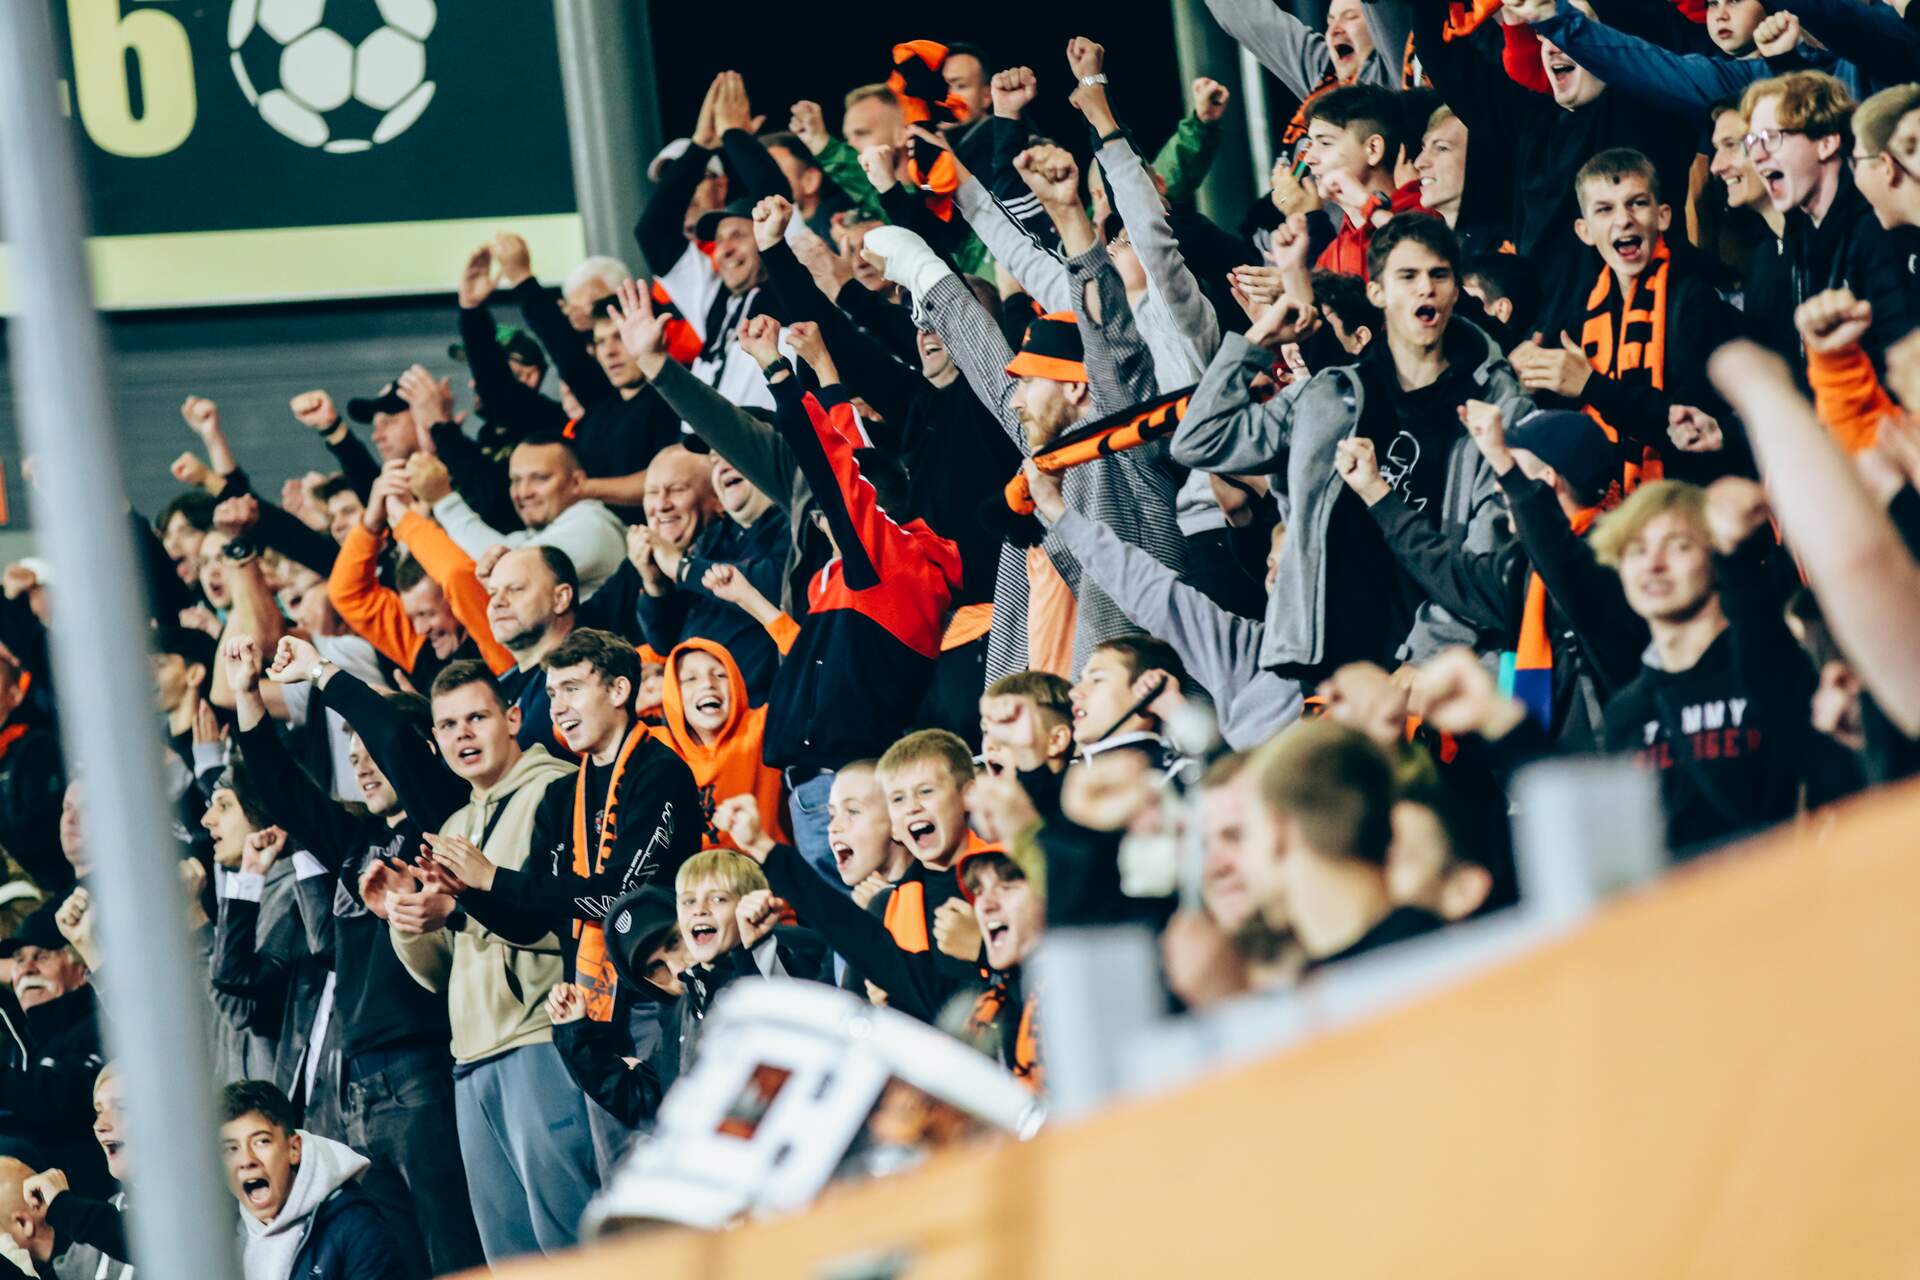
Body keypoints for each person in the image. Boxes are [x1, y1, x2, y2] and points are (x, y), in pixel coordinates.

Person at [1175, 215, 1529, 683]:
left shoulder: (1497, 405)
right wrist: (1258, 339)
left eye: (1438, 275)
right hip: (1333, 671)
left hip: (1436, 677)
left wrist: (1423, 659)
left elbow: (1485, 561)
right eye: (1408, 276)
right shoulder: (1330, 394)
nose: (1425, 288)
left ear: (1454, 290)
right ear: (1378, 292)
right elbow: (1199, 440)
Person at [237, 636, 486, 1276]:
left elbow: (396, 739)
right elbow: (285, 794)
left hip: (422, 1070)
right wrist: (247, 698)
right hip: (358, 1085)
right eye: (352, 758)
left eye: (369, 753)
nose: (363, 767)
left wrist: (324, 673)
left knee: (452, 1250)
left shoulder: (441, 824)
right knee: (397, 1261)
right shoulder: (358, 841)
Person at [373, 659, 596, 1263]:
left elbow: (569, 921)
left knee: (574, 1246)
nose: (463, 735)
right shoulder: (451, 825)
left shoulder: (558, 790)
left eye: (477, 717)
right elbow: (438, 972)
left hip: (541, 1038)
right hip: (470, 1057)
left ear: (513, 718)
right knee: (509, 1258)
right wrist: (406, 918)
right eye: (448, 726)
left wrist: (461, 909)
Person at [1589, 477, 1824, 853]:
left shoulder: (1767, 666)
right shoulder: (1625, 714)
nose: (1653, 564)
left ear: (1717, 557)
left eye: (1678, 546)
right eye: (1636, 550)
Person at [541, 851, 828, 1129]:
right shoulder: (680, 1016)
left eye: (674, 942)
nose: (677, 968)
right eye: (655, 968)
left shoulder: (787, 949)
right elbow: (652, 1104)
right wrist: (576, 1034)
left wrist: (754, 950)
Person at [719, 729, 988, 1025]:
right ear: (895, 823)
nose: (912, 807)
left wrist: (984, 949)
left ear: (969, 795)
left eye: (926, 791)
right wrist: (761, 847)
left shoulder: (1008, 877)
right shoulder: (886, 905)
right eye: (898, 798)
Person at [1741, 71, 1920, 370]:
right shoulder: (1799, 237)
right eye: (1751, 141)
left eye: (1771, 138)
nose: (1756, 155)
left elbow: (1903, 365)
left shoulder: (1879, 228)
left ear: (1826, 142)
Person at [1241, 720, 1446, 969]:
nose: (1239, 858)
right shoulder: (1448, 948)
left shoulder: (1350, 985)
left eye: (1243, 833)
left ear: (1277, 831)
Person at [630, 446, 784, 705]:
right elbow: (664, 642)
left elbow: (777, 586)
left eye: (677, 489)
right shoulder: (716, 537)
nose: (662, 504)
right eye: (715, 460)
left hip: (757, 714)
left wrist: (682, 566)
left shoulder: (793, 522)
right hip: (694, 716)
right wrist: (655, 584)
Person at [219, 1080, 412, 1280]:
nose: (246, 1160)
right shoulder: (219, 1243)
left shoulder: (356, 1227)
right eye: (231, 1149)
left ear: (294, 1149)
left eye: (261, 1141)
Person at [426, 436, 628, 601]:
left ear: (576, 481)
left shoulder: (592, 526)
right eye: (515, 480)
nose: (523, 492)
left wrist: (443, 500)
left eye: (540, 478)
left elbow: (506, 569)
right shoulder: (531, 536)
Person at [0, 911, 109, 1199]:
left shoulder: (102, 1026)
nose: (27, 969)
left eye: (42, 957)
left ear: (81, 970)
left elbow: (65, 1096)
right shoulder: (17, 1043)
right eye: (19, 960)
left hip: (86, 1200)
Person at [650, 638, 786, 853]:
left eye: (721, 675)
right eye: (691, 678)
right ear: (673, 693)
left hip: (762, 869)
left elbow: (810, 677)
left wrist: (768, 618)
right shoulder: (654, 745)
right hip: (686, 874)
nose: (708, 683)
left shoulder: (762, 726)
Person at [482, 545, 580, 751]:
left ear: (561, 598)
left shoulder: (578, 678)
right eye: (492, 593)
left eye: (515, 589)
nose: (497, 602)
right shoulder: (496, 687)